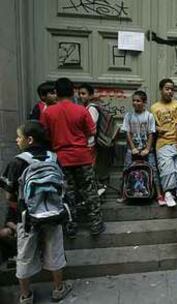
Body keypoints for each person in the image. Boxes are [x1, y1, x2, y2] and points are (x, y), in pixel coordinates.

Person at [0, 121, 71, 304]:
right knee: (55, 250)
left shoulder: (17, 162)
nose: (17, 140)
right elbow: (64, 186)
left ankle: (25, 295)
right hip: (54, 214)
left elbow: (9, 197)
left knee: (24, 255)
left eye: (19, 137)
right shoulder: (54, 158)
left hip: (27, 217)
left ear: (29, 139)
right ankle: (58, 289)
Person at [41, 77, 104, 237]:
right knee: (90, 192)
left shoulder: (48, 112)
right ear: (72, 91)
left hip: (61, 159)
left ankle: (70, 227)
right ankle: (96, 225)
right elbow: (92, 131)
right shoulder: (81, 110)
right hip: (82, 157)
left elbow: (44, 134)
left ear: (56, 92)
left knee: (67, 194)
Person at [118, 90, 165, 205]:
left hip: (147, 150)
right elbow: (127, 133)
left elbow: (151, 133)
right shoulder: (129, 116)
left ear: (144, 102)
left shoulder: (149, 116)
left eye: (138, 101)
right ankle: (124, 194)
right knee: (126, 170)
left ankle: (159, 194)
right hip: (132, 149)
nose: (135, 103)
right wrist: (133, 148)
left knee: (153, 170)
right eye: (133, 100)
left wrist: (147, 149)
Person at [151, 78, 177, 207]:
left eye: (172, 89)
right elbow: (152, 125)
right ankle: (168, 193)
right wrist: (156, 128)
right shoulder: (154, 107)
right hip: (163, 143)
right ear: (161, 90)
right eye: (167, 89)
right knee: (166, 170)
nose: (170, 91)